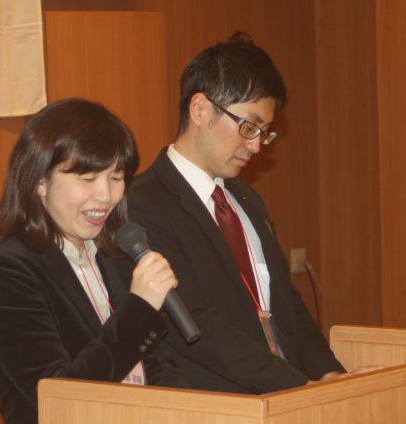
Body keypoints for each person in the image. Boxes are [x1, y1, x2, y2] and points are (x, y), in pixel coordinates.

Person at [0, 98, 187, 424]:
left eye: (117, 177)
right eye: (87, 178)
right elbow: (60, 395)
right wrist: (140, 310)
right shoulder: (7, 271)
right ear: (40, 181)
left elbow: (158, 365)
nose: (105, 195)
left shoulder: (117, 254)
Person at [127, 32, 352, 394]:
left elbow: (286, 303)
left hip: (287, 393)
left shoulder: (246, 199)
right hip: (221, 406)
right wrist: (299, 385)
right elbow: (195, 325)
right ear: (200, 109)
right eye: (248, 127)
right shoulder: (144, 205)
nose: (256, 146)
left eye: (264, 132)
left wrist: (328, 375)